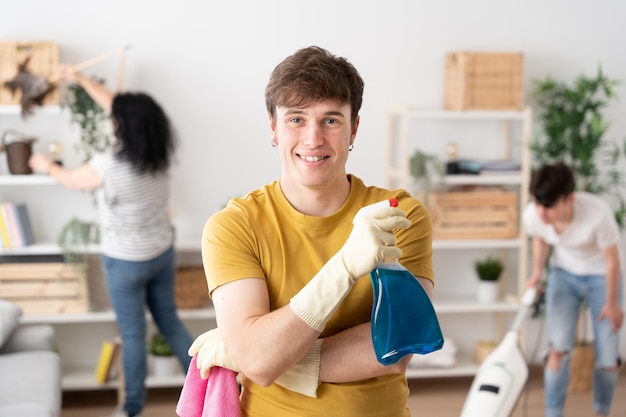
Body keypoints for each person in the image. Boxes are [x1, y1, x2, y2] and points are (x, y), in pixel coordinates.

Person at [186, 46, 434, 416]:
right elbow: (255, 358)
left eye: (331, 120)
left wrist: (274, 358)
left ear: (354, 127)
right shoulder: (235, 226)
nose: (313, 138)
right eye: (296, 119)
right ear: (273, 126)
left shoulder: (397, 214)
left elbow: (399, 346)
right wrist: (345, 266)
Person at [29, 68, 194, 417]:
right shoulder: (159, 157)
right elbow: (121, 111)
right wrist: (82, 80)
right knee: (171, 324)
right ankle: (210, 392)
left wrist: (46, 166)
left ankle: (131, 409)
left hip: (126, 262)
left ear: (120, 126)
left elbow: (71, 180)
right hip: (161, 252)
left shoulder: (108, 166)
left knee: (133, 334)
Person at [523, 161, 624, 417]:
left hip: (602, 278)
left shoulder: (597, 214)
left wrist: (612, 304)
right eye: (537, 203)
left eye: (548, 206)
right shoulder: (535, 214)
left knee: (608, 361)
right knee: (557, 350)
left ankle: (602, 411)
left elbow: (613, 262)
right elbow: (541, 238)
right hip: (564, 275)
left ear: (569, 199)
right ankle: (553, 414)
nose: (541, 213)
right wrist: (537, 273)